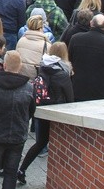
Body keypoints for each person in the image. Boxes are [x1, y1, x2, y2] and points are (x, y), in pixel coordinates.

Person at [17, 42, 74, 183]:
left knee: (40, 142)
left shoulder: (43, 66)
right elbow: (70, 98)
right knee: (61, 144)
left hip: (42, 110)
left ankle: (22, 169)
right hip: (58, 113)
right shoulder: (63, 73)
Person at [0, 50, 34, 189]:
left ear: (4, 65)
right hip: (18, 135)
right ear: (20, 66)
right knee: (11, 172)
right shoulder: (29, 88)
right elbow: (31, 112)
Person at [68, 14, 104, 101]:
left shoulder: (76, 39)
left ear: (91, 23)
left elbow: (69, 61)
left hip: (78, 87)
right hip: (102, 90)